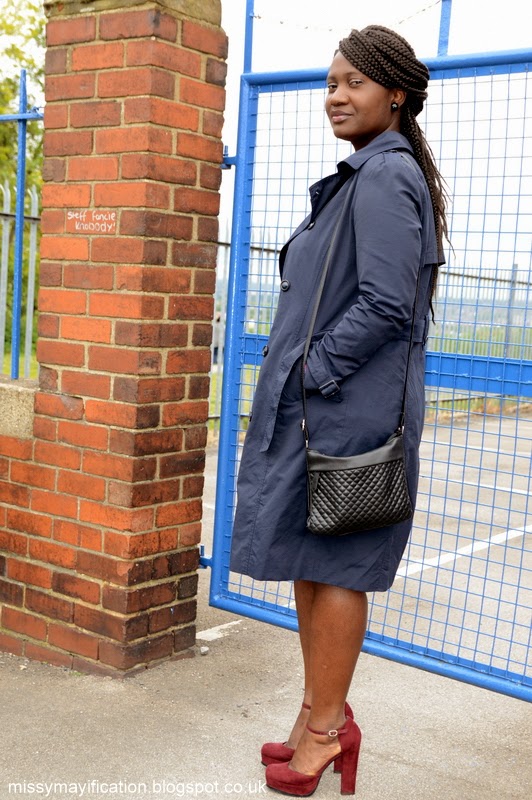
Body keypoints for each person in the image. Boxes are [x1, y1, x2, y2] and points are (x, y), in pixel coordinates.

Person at [230, 24, 447, 797]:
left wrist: (312, 371)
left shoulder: (386, 176)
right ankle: (317, 714)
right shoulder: (363, 175)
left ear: (396, 93)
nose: (336, 96)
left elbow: (387, 303)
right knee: (309, 561)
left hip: (350, 413)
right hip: (325, 408)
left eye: (354, 82)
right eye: (330, 84)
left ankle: (326, 734)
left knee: (340, 568)